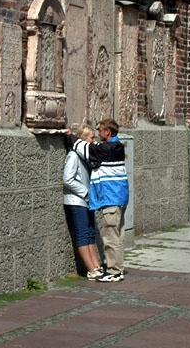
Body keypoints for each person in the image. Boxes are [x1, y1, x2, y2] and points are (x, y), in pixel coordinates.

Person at [66, 119, 129, 282]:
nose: (97, 136)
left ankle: (114, 271)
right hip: (120, 197)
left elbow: (85, 148)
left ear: (107, 132)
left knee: (110, 236)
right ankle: (118, 269)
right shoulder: (118, 146)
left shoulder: (107, 149)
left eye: (99, 132)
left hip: (111, 197)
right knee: (118, 236)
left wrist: (70, 137)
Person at [63, 124, 103, 281]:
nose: (94, 141)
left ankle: (96, 266)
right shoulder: (74, 155)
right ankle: (90, 269)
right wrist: (85, 192)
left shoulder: (87, 156)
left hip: (87, 200)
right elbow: (68, 179)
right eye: (92, 138)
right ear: (84, 139)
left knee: (90, 233)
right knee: (82, 233)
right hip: (77, 200)